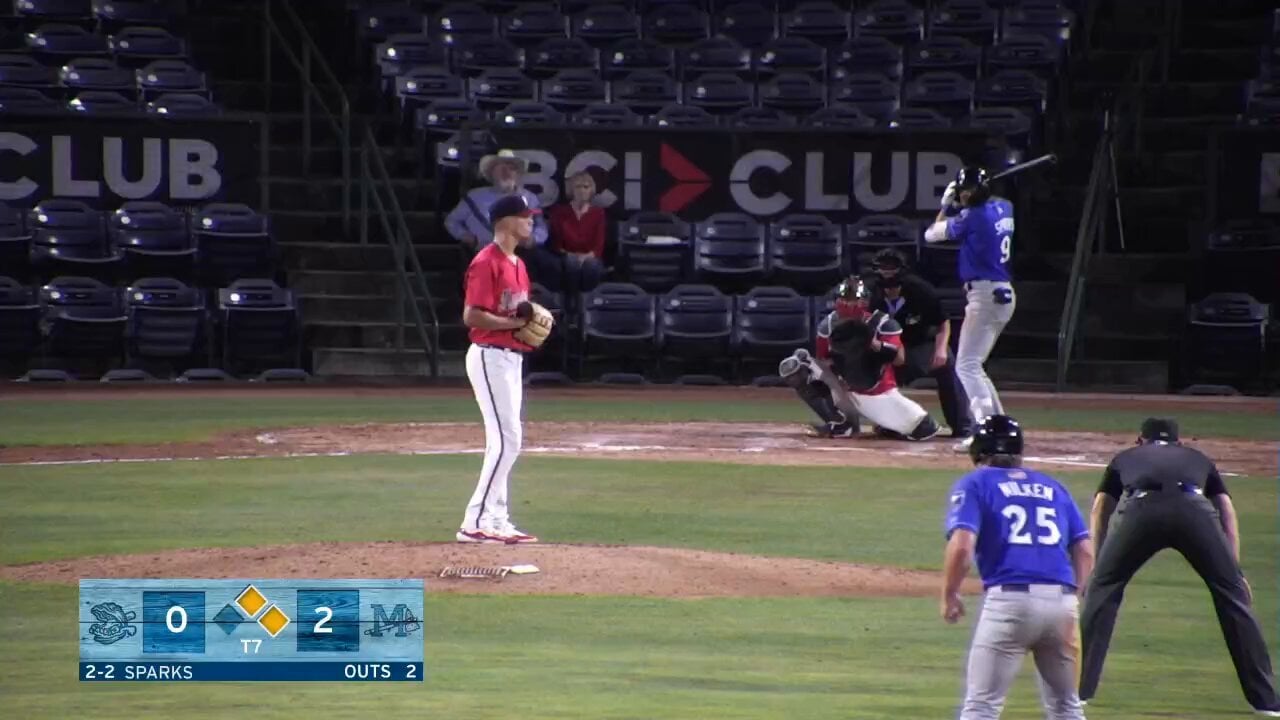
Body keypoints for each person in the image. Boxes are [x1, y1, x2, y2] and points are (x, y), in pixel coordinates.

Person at [1078, 418, 1280, 715]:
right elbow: (1226, 508)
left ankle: (1077, 692)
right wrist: (1234, 574)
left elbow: (1100, 508)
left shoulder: (1125, 457)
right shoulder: (1198, 458)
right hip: (1194, 510)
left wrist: (1099, 569)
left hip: (1141, 510)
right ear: (1179, 442)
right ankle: (1267, 702)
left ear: (1140, 441)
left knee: (1104, 591)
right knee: (1233, 598)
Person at [942, 414, 1094, 720]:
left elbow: (962, 546)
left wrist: (950, 594)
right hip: (1062, 605)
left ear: (979, 451)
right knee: (1067, 706)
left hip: (1010, 604)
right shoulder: (1054, 486)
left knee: (982, 706)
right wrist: (1070, 598)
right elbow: (1085, 551)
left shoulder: (975, 483)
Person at [455, 194, 545, 545]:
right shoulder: (485, 261)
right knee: (509, 440)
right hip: (489, 355)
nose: (531, 221)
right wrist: (512, 326)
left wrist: (521, 322)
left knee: (504, 440)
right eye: (525, 216)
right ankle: (474, 521)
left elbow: (514, 315)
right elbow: (472, 315)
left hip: (510, 357)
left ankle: (497, 519)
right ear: (506, 221)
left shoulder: (519, 264)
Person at [779, 275, 942, 442]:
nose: (848, 304)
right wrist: (835, 376)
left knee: (922, 428)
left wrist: (872, 343)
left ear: (865, 302)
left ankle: (888, 423)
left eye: (854, 299)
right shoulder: (828, 325)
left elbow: (899, 359)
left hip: (876, 389)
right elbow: (823, 360)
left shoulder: (882, 323)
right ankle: (842, 423)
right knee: (799, 364)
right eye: (844, 299)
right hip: (846, 387)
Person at [923, 166, 1016, 453]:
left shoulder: (973, 217)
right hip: (1002, 294)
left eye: (968, 191)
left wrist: (945, 206)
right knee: (975, 366)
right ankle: (998, 426)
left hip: (985, 295)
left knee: (966, 366)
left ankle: (984, 432)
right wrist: (964, 199)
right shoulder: (1004, 206)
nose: (964, 195)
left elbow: (930, 235)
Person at [867, 248, 972, 439]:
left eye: (891, 267)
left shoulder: (920, 290)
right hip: (886, 349)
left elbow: (942, 321)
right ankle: (890, 424)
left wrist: (940, 350)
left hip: (920, 345)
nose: (887, 272)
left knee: (948, 362)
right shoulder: (871, 293)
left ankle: (962, 425)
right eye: (883, 268)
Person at [444, 149, 562, 292]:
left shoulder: (529, 198)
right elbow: (451, 221)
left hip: (523, 253)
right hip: (485, 251)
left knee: (552, 265)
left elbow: (541, 226)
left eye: (511, 168)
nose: (507, 172)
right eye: (501, 168)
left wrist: (534, 239)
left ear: (517, 174)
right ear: (491, 173)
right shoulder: (474, 197)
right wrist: (465, 236)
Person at [545, 170, 606, 298]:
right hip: (566, 255)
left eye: (586, 187)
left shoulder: (598, 213)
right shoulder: (559, 212)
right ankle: (570, 301)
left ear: (591, 190)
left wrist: (586, 256)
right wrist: (571, 255)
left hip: (590, 256)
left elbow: (599, 245)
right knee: (571, 263)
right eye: (578, 186)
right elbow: (556, 243)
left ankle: (586, 302)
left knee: (592, 266)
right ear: (571, 190)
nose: (582, 190)